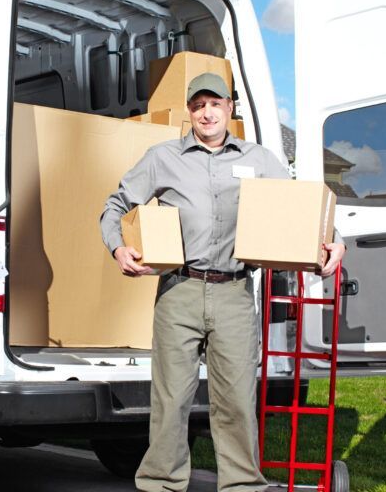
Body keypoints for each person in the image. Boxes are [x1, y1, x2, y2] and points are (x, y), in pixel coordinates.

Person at [100, 72, 345, 492]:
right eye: (198, 105)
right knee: (171, 399)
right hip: (179, 291)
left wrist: (334, 242)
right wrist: (118, 246)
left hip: (234, 292)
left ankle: (241, 486)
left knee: (235, 400)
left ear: (230, 109)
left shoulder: (262, 159)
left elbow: (296, 212)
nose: (207, 112)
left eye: (215, 104)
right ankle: (161, 482)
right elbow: (116, 205)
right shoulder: (163, 158)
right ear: (191, 112)